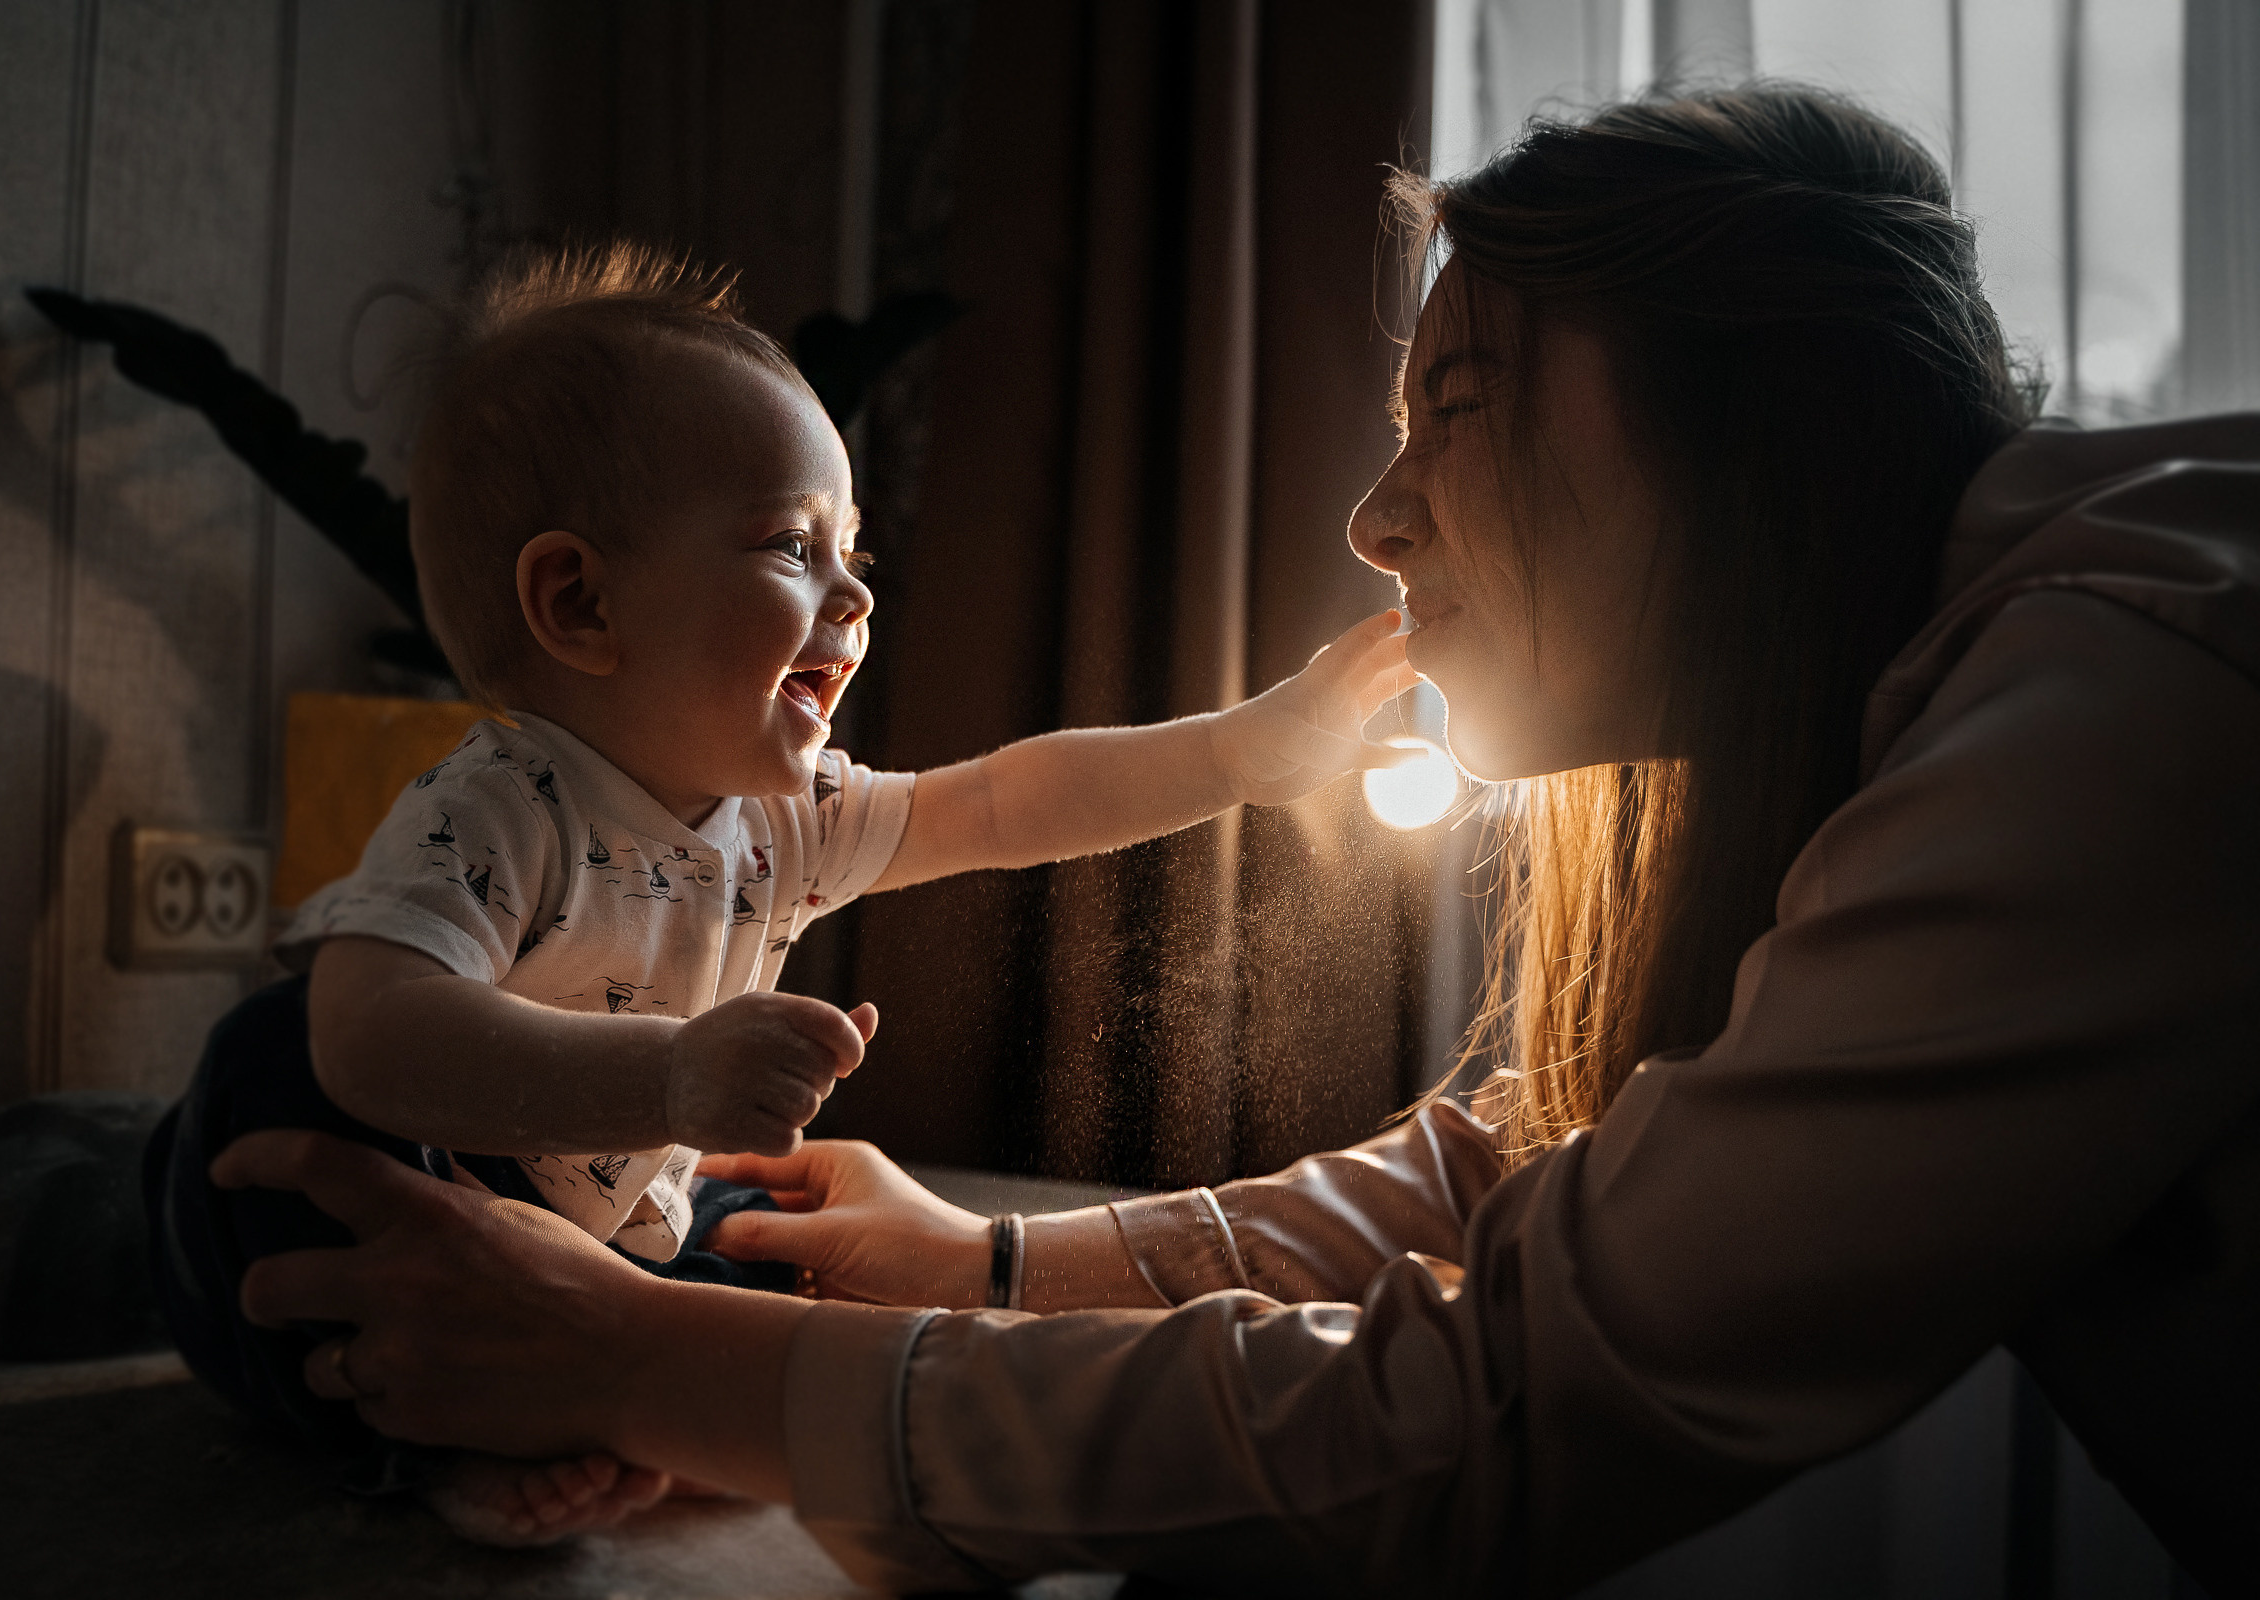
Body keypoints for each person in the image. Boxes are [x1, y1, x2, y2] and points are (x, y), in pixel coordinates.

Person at [205, 86, 2260, 1594]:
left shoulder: (2123, 698)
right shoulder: (1939, 704)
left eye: (1456, 406)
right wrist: (993, 1261)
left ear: (1756, 420)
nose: (1377, 520)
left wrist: (646, 1355)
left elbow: (1496, 1409)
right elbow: (1509, 1165)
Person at [145, 243, 1420, 1541]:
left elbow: (1006, 803)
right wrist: (669, 1079)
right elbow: (372, 1035)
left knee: (786, 1253)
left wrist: (1240, 755)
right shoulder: (500, 810)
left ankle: (621, 1392)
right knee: (268, 1069)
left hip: (616, 1221)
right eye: (790, 546)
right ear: (580, 603)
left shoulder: (785, 822)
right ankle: (429, 1441)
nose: (856, 597)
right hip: (426, 1198)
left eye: (850, 550)